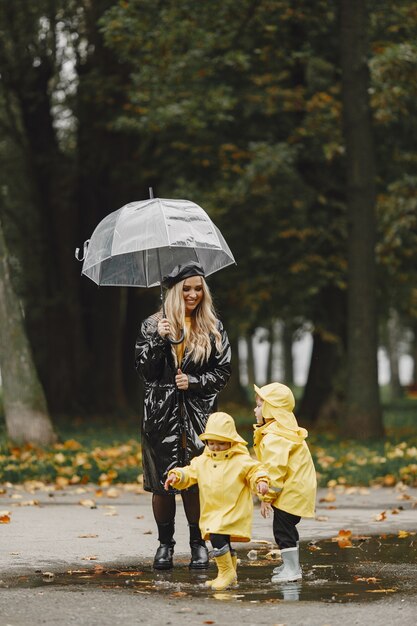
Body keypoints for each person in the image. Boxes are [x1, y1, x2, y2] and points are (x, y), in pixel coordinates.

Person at [135, 261, 231, 571]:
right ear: (174, 291)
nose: (193, 295)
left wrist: (194, 382)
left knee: (195, 482)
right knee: (163, 483)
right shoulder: (153, 325)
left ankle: (197, 544)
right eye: (186, 289)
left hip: (198, 416)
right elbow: (145, 371)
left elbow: (222, 372)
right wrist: (158, 340)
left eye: (198, 289)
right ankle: (165, 544)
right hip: (160, 415)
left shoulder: (212, 326)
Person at [164, 411, 270, 591]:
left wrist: (261, 481)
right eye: (211, 443)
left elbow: (256, 470)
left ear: (231, 441)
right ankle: (230, 575)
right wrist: (177, 475)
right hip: (212, 510)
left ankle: (225, 573)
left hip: (233, 509)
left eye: (221, 443)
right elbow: (189, 472)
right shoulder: (202, 461)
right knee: (224, 541)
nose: (216, 447)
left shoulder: (240, 460)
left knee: (217, 537)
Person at [253, 382, 317, 583]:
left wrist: (266, 497)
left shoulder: (275, 436)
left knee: (283, 530)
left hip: (290, 491)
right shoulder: (284, 429)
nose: (255, 410)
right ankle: (291, 564)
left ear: (270, 409)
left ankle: (292, 569)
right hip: (297, 488)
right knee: (288, 528)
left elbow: (274, 471)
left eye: (259, 406)